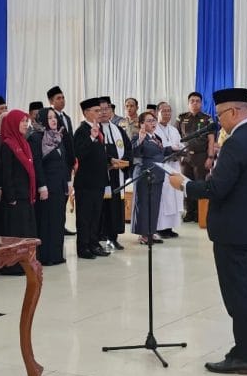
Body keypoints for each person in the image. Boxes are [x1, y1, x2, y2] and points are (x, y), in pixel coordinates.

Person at [168, 88, 247, 375]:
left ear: (234, 111)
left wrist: (184, 185)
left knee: (238, 293)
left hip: (232, 229)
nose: (219, 121)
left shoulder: (236, 142)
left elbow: (216, 188)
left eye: (221, 115)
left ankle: (242, 355)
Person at [0, 109, 36, 275]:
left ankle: (24, 263)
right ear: (13, 123)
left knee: (25, 231)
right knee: (15, 233)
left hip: (26, 194)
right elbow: (6, 173)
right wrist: (11, 196)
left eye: (26, 121)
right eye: (22, 121)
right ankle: (12, 265)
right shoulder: (8, 144)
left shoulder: (24, 142)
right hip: (14, 197)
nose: (25, 124)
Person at [29, 108, 68, 265]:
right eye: (50, 117)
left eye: (55, 117)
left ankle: (57, 254)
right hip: (46, 187)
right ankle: (46, 256)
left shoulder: (58, 136)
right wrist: (42, 185)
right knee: (47, 221)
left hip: (59, 186)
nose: (53, 120)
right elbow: (37, 164)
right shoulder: (36, 138)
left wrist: (67, 182)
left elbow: (63, 162)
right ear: (43, 119)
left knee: (59, 220)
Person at [73, 98, 110, 259]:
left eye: (100, 110)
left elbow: (98, 153)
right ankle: (83, 247)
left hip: (98, 180)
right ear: (86, 113)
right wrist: (91, 138)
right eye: (96, 111)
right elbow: (79, 154)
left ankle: (94, 244)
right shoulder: (81, 131)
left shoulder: (99, 129)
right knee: (85, 216)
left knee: (96, 215)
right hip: (86, 182)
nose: (100, 113)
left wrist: (110, 161)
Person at [132, 111, 174, 245]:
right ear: (141, 124)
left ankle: (151, 231)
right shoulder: (138, 137)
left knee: (154, 205)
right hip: (144, 174)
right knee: (143, 205)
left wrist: (172, 148)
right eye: (149, 121)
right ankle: (143, 234)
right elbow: (134, 152)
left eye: (154, 120)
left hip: (157, 175)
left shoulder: (156, 137)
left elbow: (160, 152)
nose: (153, 123)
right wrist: (140, 140)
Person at [176, 92, 216, 222]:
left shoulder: (207, 118)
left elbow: (211, 139)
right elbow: (176, 138)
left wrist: (210, 157)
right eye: (192, 101)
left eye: (198, 101)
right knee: (186, 184)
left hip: (201, 157)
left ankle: (200, 213)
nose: (195, 103)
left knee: (200, 185)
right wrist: (178, 156)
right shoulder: (181, 118)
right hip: (186, 157)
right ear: (188, 103)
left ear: (201, 103)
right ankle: (189, 212)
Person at [98, 98, 132, 249]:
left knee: (115, 207)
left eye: (107, 109)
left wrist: (124, 162)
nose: (104, 112)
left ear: (111, 111)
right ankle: (98, 238)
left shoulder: (118, 130)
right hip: (101, 176)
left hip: (117, 176)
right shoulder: (94, 130)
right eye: (100, 109)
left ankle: (113, 237)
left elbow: (128, 149)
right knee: (102, 207)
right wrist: (108, 162)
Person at [47, 86, 76, 235]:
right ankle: (56, 226)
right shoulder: (50, 118)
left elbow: (70, 140)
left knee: (65, 194)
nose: (62, 100)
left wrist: (73, 159)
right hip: (56, 162)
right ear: (51, 101)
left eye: (63, 97)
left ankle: (62, 225)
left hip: (67, 161)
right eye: (58, 98)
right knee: (57, 197)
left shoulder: (67, 118)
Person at [154, 102, 183, 239]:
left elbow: (180, 145)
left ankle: (170, 227)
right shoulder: (154, 129)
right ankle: (160, 228)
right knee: (164, 198)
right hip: (162, 167)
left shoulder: (174, 130)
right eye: (163, 111)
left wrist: (180, 153)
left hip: (174, 167)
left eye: (169, 111)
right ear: (157, 113)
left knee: (174, 197)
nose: (167, 114)